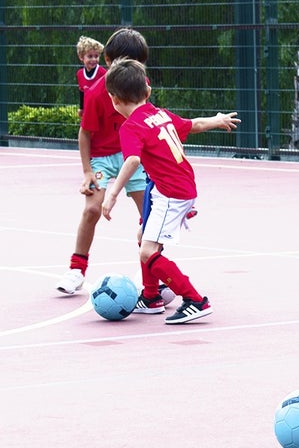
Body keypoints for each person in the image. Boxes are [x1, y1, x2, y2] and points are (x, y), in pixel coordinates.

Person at [101, 58, 240, 324]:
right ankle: (152, 297)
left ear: (114, 100)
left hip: (171, 194)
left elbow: (132, 160)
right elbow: (194, 125)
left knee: (148, 251)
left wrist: (112, 193)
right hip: (180, 187)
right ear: (148, 91)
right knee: (144, 235)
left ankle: (195, 300)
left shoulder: (131, 127)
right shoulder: (160, 114)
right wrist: (217, 119)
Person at [56, 28, 150, 295]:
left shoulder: (142, 85)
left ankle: (153, 275)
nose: (135, 69)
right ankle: (76, 270)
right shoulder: (97, 92)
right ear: (109, 62)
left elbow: (147, 123)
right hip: (101, 158)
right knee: (92, 209)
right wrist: (87, 172)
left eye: (139, 64)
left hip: (131, 156)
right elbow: (85, 133)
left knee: (150, 215)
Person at [75, 36, 106, 117]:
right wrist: (81, 108)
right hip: (88, 112)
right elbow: (82, 92)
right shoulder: (80, 74)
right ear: (81, 57)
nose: (93, 59)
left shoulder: (103, 73)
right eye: (90, 56)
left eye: (96, 56)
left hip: (101, 112)